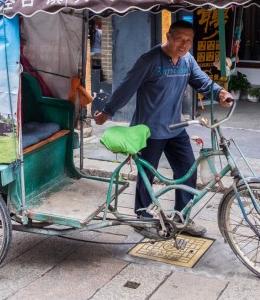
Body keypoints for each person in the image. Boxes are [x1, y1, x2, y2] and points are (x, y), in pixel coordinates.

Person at [93, 20, 233, 236]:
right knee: (146, 174)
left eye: (188, 40)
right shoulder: (149, 60)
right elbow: (126, 87)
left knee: (188, 170)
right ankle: (143, 217)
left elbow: (202, 82)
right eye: (180, 39)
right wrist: (106, 112)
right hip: (148, 130)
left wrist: (220, 93)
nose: (184, 44)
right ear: (169, 36)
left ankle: (181, 217)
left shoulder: (187, 60)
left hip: (176, 127)